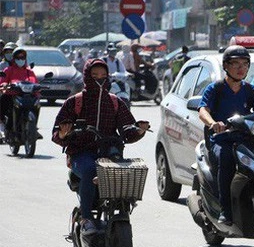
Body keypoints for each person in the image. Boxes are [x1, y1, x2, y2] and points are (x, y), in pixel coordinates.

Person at [52, 59, 149, 235]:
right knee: (90, 170)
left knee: (127, 172)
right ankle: (86, 218)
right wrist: (63, 134)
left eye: (103, 76)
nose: (99, 79)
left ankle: (121, 212)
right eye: (94, 75)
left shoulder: (115, 102)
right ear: (87, 76)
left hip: (109, 154)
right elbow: (56, 134)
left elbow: (128, 131)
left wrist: (140, 130)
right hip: (80, 155)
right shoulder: (75, 102)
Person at [197, 45, 254, 226]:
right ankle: (225, 210)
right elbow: (203, 111)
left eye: (245, 64)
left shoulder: (251, 90)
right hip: (222, 140)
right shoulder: (215, 89)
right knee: (227, 159)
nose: (241, 68)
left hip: (247, 139)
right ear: (226, 66)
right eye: (235, 64)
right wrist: (213, 123)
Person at [0, 47, 38, 141]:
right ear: (14, 58)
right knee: (3, 102)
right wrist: (5, 84)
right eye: (18, 57)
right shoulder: (8, 70)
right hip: (12, 94)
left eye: (22, 57)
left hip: (27, 95)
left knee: (37, 104)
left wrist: (38, 87)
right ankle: (6, 127)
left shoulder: (29, 71)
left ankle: (33, 129)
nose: (20, 59)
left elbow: (34, 82)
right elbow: (3, 81)